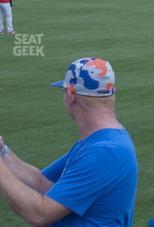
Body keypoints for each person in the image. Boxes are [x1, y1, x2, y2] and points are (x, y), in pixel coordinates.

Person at [0, 58, 137, 226]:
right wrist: (3, 152)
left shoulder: (105, 152)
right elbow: (41, 182)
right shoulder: (101, 142)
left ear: (71, 97)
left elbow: (39, 214)